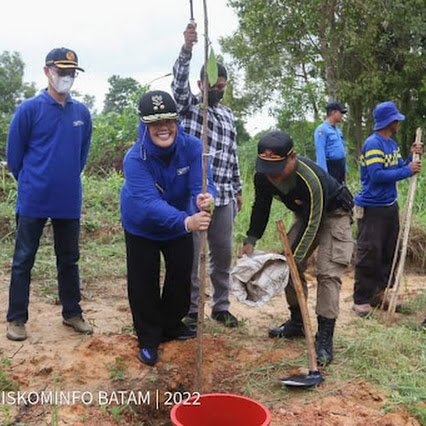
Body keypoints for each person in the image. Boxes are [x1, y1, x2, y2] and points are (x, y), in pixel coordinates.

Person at [239, 130, 354, 366]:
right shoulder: (263, 175)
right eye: (267, 168)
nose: (272, 176)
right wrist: (251, 238)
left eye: (278, 168)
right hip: (304, 214)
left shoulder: (310, 178)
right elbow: (261, 205)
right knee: (287, 265)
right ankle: (298, 321)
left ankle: (324, 336)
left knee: (327, 273)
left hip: (334, 214)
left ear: (293, 158)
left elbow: (315, 222)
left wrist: (295, 258)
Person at [120, 90, 215, 366]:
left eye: (168, 120)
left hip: (180, 224)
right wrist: (187, 221)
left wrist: (208, 198)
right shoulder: (134, 159)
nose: (163, 128)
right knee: (143, 281)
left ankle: (171, 325)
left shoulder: (193, 147)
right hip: (142, 225)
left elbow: (201, 186)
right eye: (154, 123)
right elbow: (149, 203)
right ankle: (149, 337)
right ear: (144, 125)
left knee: (180, 277)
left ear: (177, 121)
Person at [5, 47, 93, 341]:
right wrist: (34, 180)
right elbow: (14, 157)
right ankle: (16, 318)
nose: (66, 78)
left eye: (71, 73)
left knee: (69, 259)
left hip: (68, 201)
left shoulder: (81, 113)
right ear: (46, 71)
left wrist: (64, 178)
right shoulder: (28, 110)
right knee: (23, 260)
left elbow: (81, 156)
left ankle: (72, 313)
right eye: (61, 72)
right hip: (33, 199)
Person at [171, 24, 243, 328]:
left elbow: (232, 154)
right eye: (213, 84)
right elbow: (177, 86)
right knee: (192, 255)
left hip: (225, 195)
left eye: (222, 85)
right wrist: (187, 48)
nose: (218, 90)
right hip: (196, 195)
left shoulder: (227, 115)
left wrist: (238, 189)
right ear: (202, 84)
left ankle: (221, 306)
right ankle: (191, 308)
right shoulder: (189, 108)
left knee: (222, 256)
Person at [352, 102, 422, 317]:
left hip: (390, 206)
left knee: (388, 251)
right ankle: (361, 299)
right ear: (390, 121)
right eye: (396, 120)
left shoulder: (391, 144)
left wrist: (413, 158)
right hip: (373, 208)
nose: (399, 123)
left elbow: (401, 169)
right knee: (369, 252)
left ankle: (379, 293)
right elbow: (377, 175)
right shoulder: (373, 144)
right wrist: (407, 170)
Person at [314, 102, 348, 184]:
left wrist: (345, 170)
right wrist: (324, 175)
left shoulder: (337, 130)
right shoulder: (322, 130)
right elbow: (320, 153)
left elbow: (342, 151)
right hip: (331, 168)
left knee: (342, 193)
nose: (342, 116)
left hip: (340, 166)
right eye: (340, 113)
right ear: (333, 112)